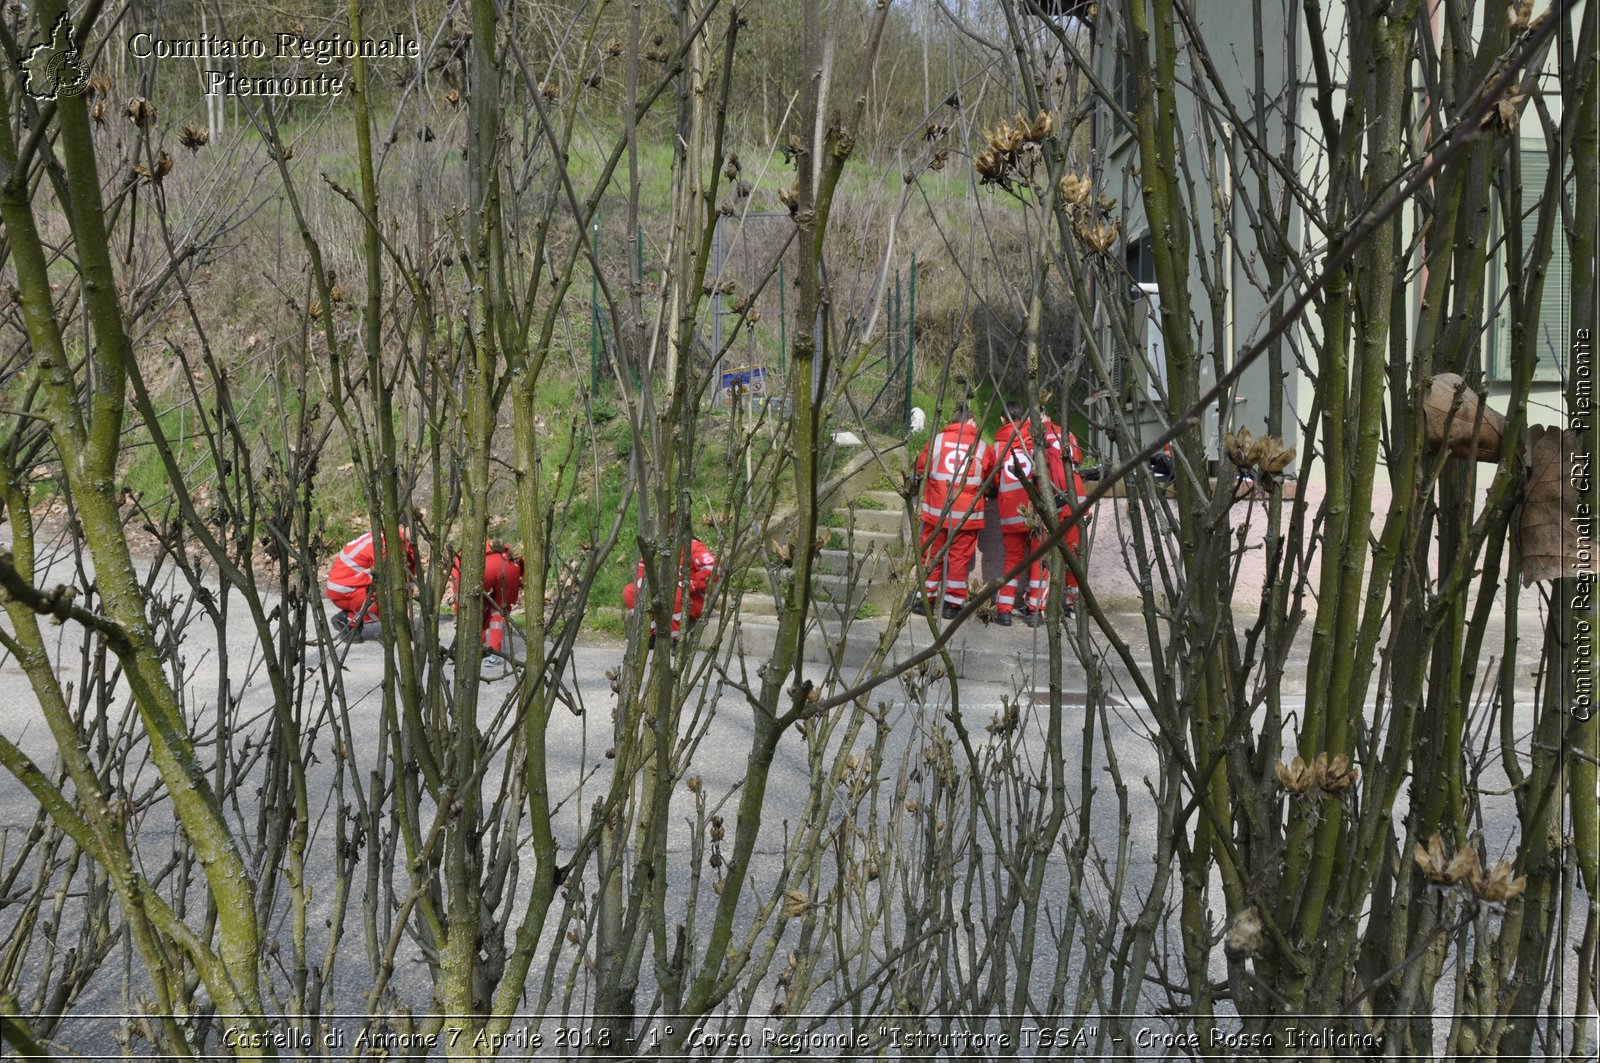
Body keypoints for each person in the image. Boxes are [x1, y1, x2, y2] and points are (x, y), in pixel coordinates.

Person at [912, 406, 994, 618]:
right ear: (970, 421)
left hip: (936, 513)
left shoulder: (936, 441)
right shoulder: (982, 447)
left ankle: (924, 600)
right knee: (958, 560)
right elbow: (991, 479)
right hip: (966, 516)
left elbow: (920, 469)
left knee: (930, 556)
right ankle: (952, 605)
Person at [325, 525, 416, 640]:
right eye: (413, 527)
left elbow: (406, 577)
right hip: (344, 589)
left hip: (350, 584)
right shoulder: (385, 545)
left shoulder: (398, 542)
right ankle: (347, 620)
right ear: (401, 527)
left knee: (390, 597)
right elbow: (387, 580)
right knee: (384, 602)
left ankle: (353, 617)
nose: (417, 530)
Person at [622, 535, 717, 640]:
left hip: (693, 599)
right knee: (630, 591)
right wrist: (649, 588)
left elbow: (713, 569)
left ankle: (676, 638)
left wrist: (689, 584)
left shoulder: (694, 546)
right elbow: (642, 568)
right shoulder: (657, 545)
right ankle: (649, 634)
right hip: (662, 594)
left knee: (674, 592)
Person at [451, 541, 524, 677]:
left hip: (486, 570)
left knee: (475, 606)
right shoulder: (490, 550)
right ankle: (492, 651)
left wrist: (458, 613)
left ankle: (477, 646)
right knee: (500, 609)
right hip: (509, 566)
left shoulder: (458, 563)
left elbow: (459, 597)